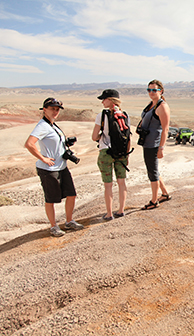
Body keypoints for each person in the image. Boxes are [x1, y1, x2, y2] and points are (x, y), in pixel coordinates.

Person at [25, 97, 83, 236]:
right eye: (52, 109)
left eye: (57, 109)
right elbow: (29, 144)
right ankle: (53, 226)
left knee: (71, 194)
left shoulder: (52, 124)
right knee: (50, 199)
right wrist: (43, 158)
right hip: (49, 170)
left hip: (61, 166)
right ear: (44, 109)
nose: (55, 111)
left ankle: (69, 222)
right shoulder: (42, 126)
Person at [92, 89, 130, 220]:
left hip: (106, 152)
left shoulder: (101, 115)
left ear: (111, 100)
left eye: (104, 99)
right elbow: (127, 137)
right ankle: (121, 210)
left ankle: (109, 214)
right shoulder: (125, 115)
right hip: (121, 153)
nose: (102, 101)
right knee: (121, 182)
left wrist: (101, 136)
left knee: (108, 185)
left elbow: (93, 137)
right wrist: (127, 156)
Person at [138, 80, 171, 210]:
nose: (151, 92)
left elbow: (165, 129)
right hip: (147, 142)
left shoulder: (162, 106)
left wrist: (161, 148)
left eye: (154, 90)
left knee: (152, 172)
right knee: (154, 169)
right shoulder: (151, 104)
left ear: (161, 91)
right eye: (149, 90)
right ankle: (165, 193)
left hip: (154, 144)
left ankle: (154, 201)